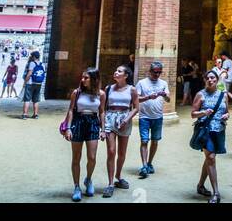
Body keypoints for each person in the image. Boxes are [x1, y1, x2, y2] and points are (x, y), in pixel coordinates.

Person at [191, 67, 232, 204]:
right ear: (204, 80)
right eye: (207, 78)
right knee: (211, 157)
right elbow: (193, 114)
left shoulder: (223, 94)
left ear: (217, 80)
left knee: (209, 158)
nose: (210, 80)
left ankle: (200, 185)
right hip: (205, 130)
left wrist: (227, 115)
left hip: (219, 130)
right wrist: (204, 113)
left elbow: (226, 111)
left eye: (212, 78)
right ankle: (216, 193)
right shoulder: (200, 94)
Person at [62, 66, 106, 202]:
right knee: (76, 157)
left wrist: (103, 129)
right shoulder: (77, 92)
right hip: (78, 122)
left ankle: (88, 179)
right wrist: (68, 128)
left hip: (93, 122)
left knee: (92, 157)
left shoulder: (101, 94)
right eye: (82, 77)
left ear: (94, 79)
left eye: (86, 78)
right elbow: (70, 110)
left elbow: (102, 112)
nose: (83, 80)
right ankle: (76, 187)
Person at [102, 64, 138, 197]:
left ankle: (118, 176)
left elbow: (136, 107)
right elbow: (103, 108)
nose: (116, 72)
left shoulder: (132, 89)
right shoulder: (108, 88)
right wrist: (103, 125)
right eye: (116, 70)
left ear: (126, 76)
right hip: (110, 119)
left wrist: (126, 119)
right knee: (111, 151)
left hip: (125, 120)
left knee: (122, 153)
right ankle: (110, 183)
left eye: (119, 71)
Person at [135, 59, 169, 178]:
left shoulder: (163, 83)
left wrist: (165, 95)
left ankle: (150, 163)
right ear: (150, 71)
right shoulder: (142, 83)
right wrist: (149, 97)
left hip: (158, 117)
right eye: (155, 72)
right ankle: (144, 165)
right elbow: (136, 99)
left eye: (159, 72)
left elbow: (168, 100)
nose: (157, 74)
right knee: (144, 140)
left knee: (155, 141)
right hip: (144, 116)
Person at [21, 50, 45, 118]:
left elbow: (29, 74)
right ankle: (35, 114)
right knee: (36, 100)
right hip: (39, 83)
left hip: (30, 83)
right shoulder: (42, 64)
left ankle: (25, 114)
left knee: (27, 99)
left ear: (34, 56)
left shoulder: (32, 63)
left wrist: (25, 82)